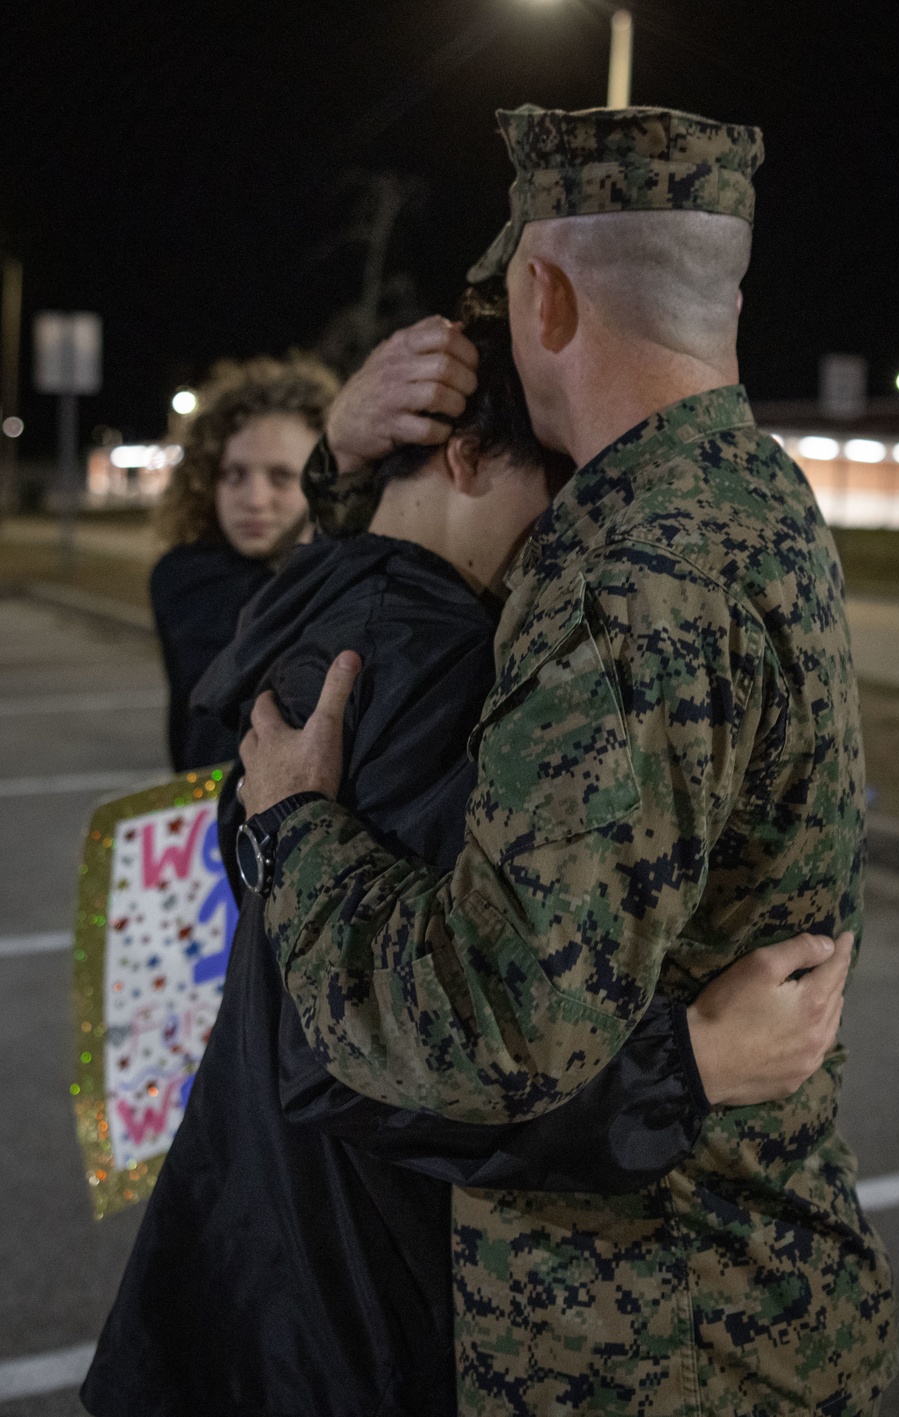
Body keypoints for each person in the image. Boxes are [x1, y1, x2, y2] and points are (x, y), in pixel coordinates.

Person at [239, 105, 898, 1415]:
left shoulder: (638, 570)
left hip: (658, 1342)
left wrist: (295, 830)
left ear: (543, 294)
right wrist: (337, 461)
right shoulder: (735, 489)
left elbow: (496, 1027)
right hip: (729, 1307)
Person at [84, 312, 851, 1417]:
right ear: (464, 456)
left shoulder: (329, 598)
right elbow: (351, 1048)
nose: (570, 523)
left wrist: (341, 456)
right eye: (554, 481)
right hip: (335, 1307)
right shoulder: (424, 654)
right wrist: (684, 1067)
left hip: (251, 1271)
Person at [150, 354, 340, 770]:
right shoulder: (186, 578)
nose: (254, 500)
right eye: (233, 475)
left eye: (281, 477)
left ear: (327, 481)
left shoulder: (340, 569)